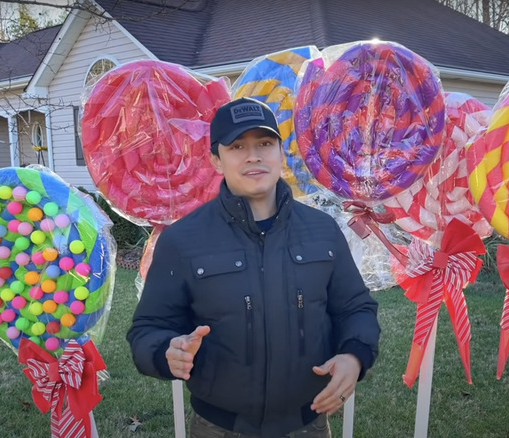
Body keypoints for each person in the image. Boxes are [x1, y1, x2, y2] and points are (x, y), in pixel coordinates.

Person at [127, 97, 381, 438]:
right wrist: (165, 352)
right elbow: (147, 329)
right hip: (219, 428)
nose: (253, 156)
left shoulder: (322, 230)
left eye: (264, 143)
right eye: (237, 146)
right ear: (216, 160)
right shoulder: (182, 240)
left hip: (308, 425)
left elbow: (356, 308)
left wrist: (354, 355)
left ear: (281, 153)